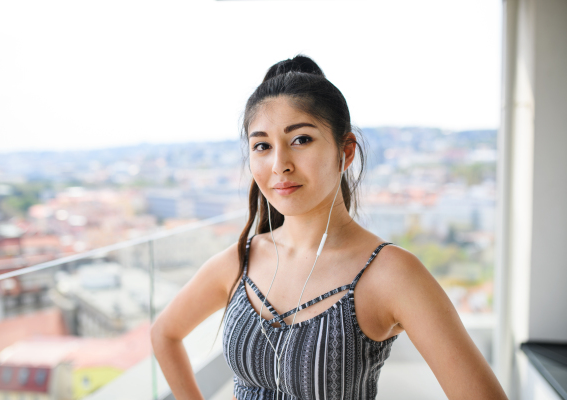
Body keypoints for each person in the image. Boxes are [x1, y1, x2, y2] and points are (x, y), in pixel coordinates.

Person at [150, 55, 508, 400]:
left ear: (346, 151)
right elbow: (164, 334)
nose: (280, 165)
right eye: (262, 145)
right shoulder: (241, 261)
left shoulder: (391, 274)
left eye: (301, 139)